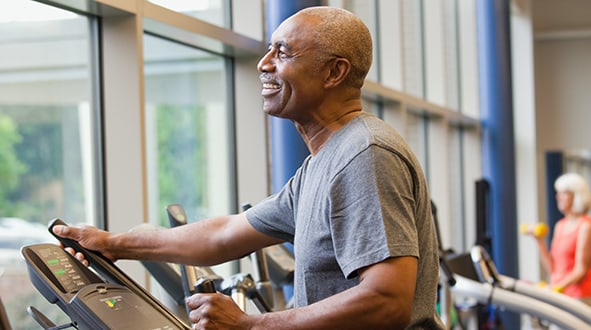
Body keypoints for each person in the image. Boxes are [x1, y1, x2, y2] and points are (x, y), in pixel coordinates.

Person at [53, 6, 444, 330]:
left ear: (334, 72)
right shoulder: (324, 162)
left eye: (283, 52)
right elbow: (223, 235)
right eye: (267, 51)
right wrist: (112, 244)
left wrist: (251, 325)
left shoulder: (364, 155)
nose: (263, 64)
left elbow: (389, 301)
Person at [526, 173, 591, 311]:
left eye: (564, 193)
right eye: (558, 193)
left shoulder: (587, 226)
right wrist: (538, 240)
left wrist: (557, 287)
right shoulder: (560, 225)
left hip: (582, 297)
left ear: (577, 196)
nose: (558, 197)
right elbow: (553, 269)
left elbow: (581, 270)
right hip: (561, 295)